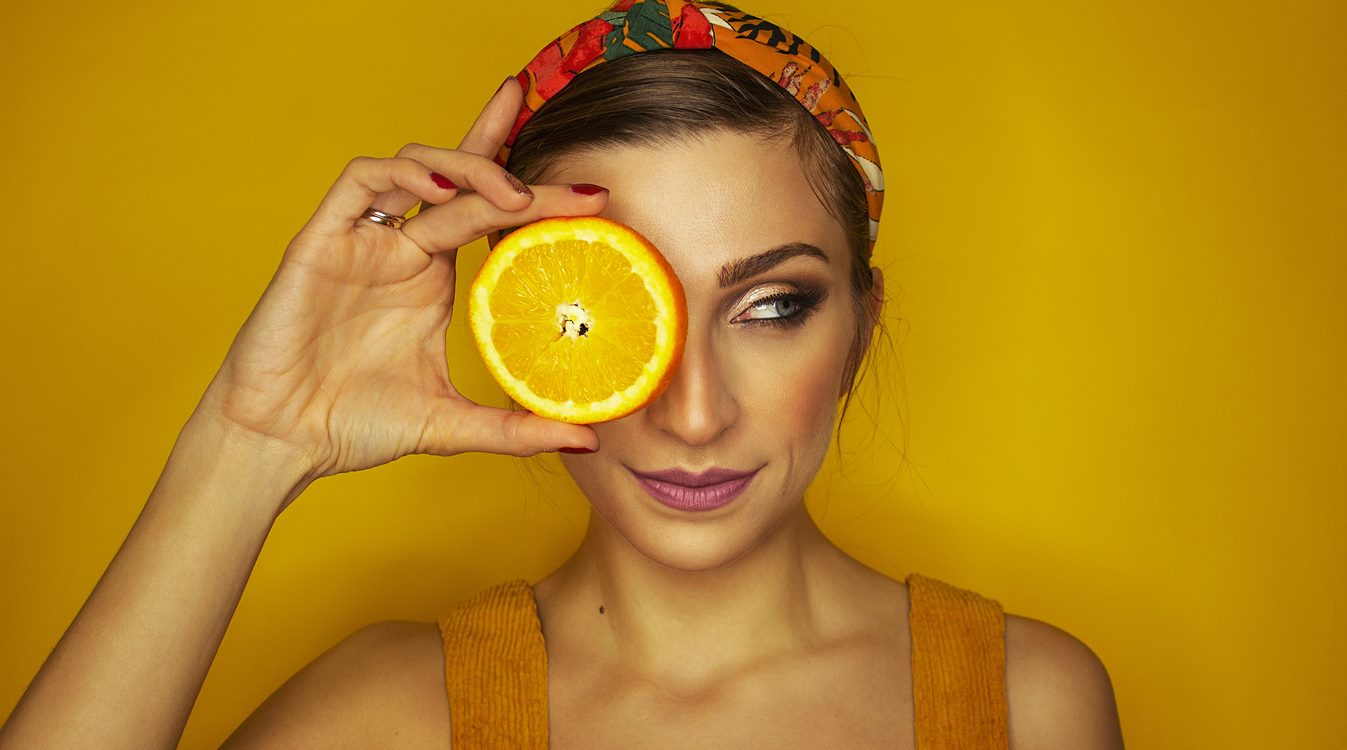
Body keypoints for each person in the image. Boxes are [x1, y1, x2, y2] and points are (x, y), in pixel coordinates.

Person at [0, 1, 1124, 748]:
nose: (693, 413)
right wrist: (251, 442)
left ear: (858, 332)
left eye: (772, 306)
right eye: (612, 313)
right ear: (524, 327)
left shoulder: (1026, 702)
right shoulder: (390, 717)